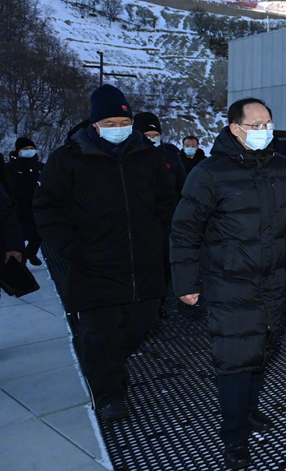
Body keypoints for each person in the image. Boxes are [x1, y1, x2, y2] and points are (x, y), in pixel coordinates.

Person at [170, 97, 286, 471]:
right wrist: (185, 282)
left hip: (273, 278)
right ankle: (234, 436)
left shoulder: (285, 168)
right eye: (256, 125)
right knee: (235, 358)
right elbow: (185, 231)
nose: (265, 131)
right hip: (228, 280)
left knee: (262, 348)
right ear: (235, 129)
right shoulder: (209, 173)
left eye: (269, 124)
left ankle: (248, 410)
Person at [32, 84, 177, 422]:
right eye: (110, 123)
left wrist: (162, 239)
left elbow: (166, 202)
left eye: (123, 122)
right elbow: (47, 208)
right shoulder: (69, 158)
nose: (118, 128)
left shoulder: (148, 155)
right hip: (94, 264)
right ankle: (109, 394)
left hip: (143, 262)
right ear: (95, 124)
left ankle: (107, 364)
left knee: (143, 322)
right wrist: (71, 247)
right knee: (99, 334)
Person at [8, 137, 44, 266]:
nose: (29, 151)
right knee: (18, 238)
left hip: (37, 208)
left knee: (38, 236)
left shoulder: (41, 167)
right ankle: (20, 262)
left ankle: (31, 253)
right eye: (25, 149)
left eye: (31, 148)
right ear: (18, 151)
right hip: (17, 208)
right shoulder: (9, 168)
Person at [133, 112, 186, 196]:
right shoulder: (127, 157)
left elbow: (182, 186)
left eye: (156, 135)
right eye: (147, 135)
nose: (152, 139)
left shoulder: (171, 156)